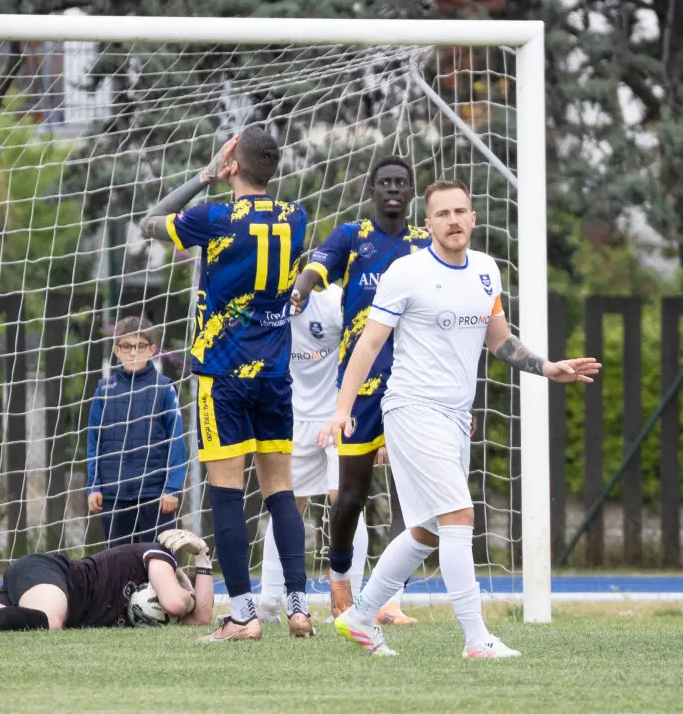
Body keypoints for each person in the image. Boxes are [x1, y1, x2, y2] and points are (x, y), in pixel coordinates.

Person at [322, 179, 600, 658]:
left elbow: (499, 339)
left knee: (429, 529)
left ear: (473, 218)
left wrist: (549, 367)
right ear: (426, 223)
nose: (453, 220)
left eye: (461, 211)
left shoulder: (487, 271)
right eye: (443, 213)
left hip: (454, 416)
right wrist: (343, 408)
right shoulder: (405, 271)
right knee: (460, 515)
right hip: (410, 408)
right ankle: (476, 638)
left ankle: (362, 617)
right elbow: (368, 345)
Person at [140, 126, 312, 641]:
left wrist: (203, 176)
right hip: (276, 374)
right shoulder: (295, 218)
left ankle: (243, 617)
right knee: (281, 492)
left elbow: (150, 221)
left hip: (223, 375)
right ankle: (300, 608)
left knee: (227, 494)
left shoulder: (213, 217)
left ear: (233, 164)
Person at [289, 155, 429, 623]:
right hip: (360, 390)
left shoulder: (423, 245)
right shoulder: (353, 237)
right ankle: (341, 582)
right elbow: (317, 266)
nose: (393, 188)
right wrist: (303, 287)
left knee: (414, 499)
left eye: (401, 182)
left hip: (412, 386)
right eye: (385, 181)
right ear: (372, 189)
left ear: (411, 192)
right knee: (350, 497)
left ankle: (387, 597)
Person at [254, 282, 372, 622]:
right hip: (292, 418)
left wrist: (363, 416)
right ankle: (269, 603)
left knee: (346, 502)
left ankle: (350, 603)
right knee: (286, 506)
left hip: (339, 413)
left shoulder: (334, 302)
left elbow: (366, 349)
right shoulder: (262, 305)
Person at [0, 530, 214, 634]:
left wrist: (203, 561)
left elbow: (202, 618)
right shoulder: (156, 554)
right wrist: (185, 592)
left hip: (42, 584)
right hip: (52, 573)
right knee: (49, 622)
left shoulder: (159, 585)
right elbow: (175, 604)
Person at [86, 315, 187, 546]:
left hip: (155, 496)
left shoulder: (164, 389)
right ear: (116, 350)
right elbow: (94, 441)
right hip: (114, 494)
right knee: (119, 566)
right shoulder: (103, 391)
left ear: (151, 350)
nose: (133, 352)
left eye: (140, 346)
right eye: (126, 346)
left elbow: (177, 440)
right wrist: (94, 486)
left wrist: (172, 487)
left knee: (159, 561)